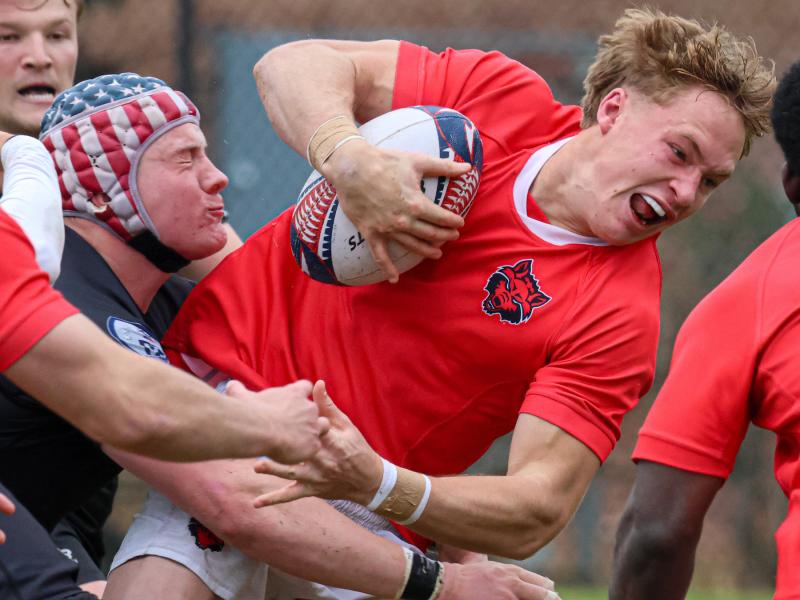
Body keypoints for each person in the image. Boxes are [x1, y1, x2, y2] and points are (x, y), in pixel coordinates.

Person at [105, 7, 776, 600]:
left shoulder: (621, 312)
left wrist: (378, 483)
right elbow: (291, 64)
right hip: (219, 386)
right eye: (680, 153)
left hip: (356, 500)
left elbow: (537, 505)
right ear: (614, 108)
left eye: (711, 180)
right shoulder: (494, 98)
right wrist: (349, 158)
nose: (687, 192)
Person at [0, 129, 327, 598]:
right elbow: (134, 409)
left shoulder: (165, 297)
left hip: (56, 522)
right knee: (229, 496)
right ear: (95, 190)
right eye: (185, 159)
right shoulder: (65, 278)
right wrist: (428, 580)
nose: (218, 178)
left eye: (207, 154)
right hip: (35, 520)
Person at [609, 60, 800, 600]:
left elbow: (658, 534)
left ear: (791, 183)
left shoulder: (756, 294)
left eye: (710, 179)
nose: (687, 192)